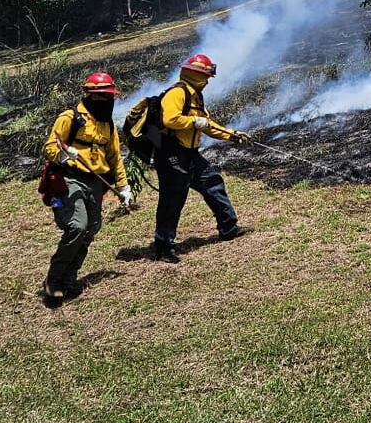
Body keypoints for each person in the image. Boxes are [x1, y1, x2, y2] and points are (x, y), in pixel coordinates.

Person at [40, 72, 132, 302]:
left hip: (97, 183)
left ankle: (69, 279)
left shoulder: (108, 125)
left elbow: (114, 157)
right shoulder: (70, 118)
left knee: (90, 231)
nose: (106, 101)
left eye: (109, 96)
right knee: (77, 226)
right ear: (90, 95)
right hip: (71, 178)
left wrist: (123, 186)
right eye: (101, 96)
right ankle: (53, 279)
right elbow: (50, 146)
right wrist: (65, 155)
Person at [150, 52, 249, 263]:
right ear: (197, 75)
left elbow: (208, 124)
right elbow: (170, 119)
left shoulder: (195, 96)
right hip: (170, 153)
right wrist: (193, 122)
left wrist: (232, 135)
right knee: (173, 198)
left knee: (212, 182)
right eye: (205, 77)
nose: (207, 82)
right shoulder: (178, 93)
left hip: (190, 153)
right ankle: (163, 246)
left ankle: (228, 228)